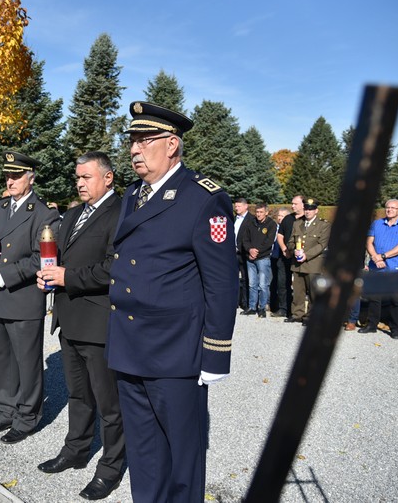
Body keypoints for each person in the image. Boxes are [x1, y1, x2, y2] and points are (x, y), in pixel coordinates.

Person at [106, 101, 237, 502]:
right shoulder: (133, 195)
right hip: (130, 346)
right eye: (132, 141)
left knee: (182, 457)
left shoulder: (202, 198)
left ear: (172, 145)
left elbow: (222, 283)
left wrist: (215, 354)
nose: (134, 150)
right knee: (144, 453)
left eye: (145, 140)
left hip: (175, 352)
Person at [36, 151, 125, 500]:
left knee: (109, 403)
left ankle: (111, 467)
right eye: (78, 177)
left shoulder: (120, 214)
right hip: (69, 319)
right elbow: (56, 258)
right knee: (78, 394)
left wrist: (66, 276)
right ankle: (75, 450)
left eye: (86, 177)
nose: (79, 183)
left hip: (99, 322)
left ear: (108, 178)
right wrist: (48, 275)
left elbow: (112, 268)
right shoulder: (71, 214)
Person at [0, 151, 60, 444]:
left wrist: (7, 275)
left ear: (30, 178)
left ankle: (27, 417)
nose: (10, 181)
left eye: (16, 176)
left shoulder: (43, 212)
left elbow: (43, 257)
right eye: (7, 175)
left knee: (27, 362)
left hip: (22, 297)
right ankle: (6, 410)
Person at [356, 198, 398, 339]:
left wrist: (383, 256)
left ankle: (395, 328)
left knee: (395, 299)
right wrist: (375, 257)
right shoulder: (377, 223)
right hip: (376, 266)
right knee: (375, 298)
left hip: (393, 267)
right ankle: (372, 324)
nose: (389, 210)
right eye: (387, 207)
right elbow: (369, 242)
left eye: (393, 208)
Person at [286, 198, 331, 326]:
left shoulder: (324, 225)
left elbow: (322, 245)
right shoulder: (297, 223)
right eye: (306, 209)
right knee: (298, 291)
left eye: (311, 210)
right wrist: (294, 249)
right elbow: (290, 241)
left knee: (313, 292)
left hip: (313, 263)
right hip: (297, 263)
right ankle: (297, 314)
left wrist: (306, 255)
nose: (308, 212)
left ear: (316, 211)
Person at [241, 203, 278, 317]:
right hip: (250, 258)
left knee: (263, 285)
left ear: (266, 212)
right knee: (252, 284)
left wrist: (257, 252)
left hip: (263, 258)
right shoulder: (250, 223)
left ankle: (262, 308)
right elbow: (245, 239)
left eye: (261, 212)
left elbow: (269, 241)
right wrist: (250, 250)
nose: (259, 214)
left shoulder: (271, 224)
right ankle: (252, 307)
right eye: (257, 212)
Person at [273, 196, 304, 317]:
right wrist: (284, 249)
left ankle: (296, 311)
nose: (292, 206)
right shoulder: (287, 219)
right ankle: (283, 308)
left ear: (303, 204)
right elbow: (280, 236)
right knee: (282, 283)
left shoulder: (306, 219)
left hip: (300, 257)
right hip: (285, 255)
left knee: (298, 286)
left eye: (295, 204)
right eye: (292, 204)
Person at [233, 197, 252, 310]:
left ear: (246, 206)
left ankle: (245, 302)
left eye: (239, 206)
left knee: (245, 279)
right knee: (233, 279)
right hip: (233, 253)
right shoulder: (234, 218)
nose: (237, 208)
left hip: (244, 253)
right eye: (236, 206)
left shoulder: (251, 219)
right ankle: (234, 301)